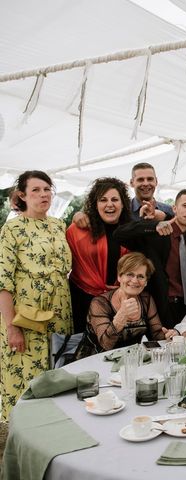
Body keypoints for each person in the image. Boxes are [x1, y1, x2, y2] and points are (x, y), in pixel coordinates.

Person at [0, 171, 72, 419]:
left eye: (46, 189)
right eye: (36, 190)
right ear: (22, 195)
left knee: (55, 373)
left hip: (59, 312)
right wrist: (11, 328)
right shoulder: (12, 228)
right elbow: (3, 282)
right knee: (25, 380)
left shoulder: (58, 224)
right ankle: (20, 437)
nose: (43, 195)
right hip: (26, 319)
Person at [114, 189, 186, 328]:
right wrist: (153, 225)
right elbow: (118, 235)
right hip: (161, 304)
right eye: (185, 205)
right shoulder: (156, 232)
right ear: (174, 208)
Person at [66, 177, 131, 333]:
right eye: (103, 200)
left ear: (123, 204)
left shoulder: (131, 231)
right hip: (82, 300)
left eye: (115, 199)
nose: (109, 204)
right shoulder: (78, 230)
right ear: (95, 204)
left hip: (118, 300)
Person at [80, 252, 168, 354]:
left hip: (129, 360)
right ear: (119, 277)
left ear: (146, 282)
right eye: (130, 274)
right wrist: (121, 316)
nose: (135, 280)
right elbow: (105, 344)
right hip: (93, 361)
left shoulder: (146, 299)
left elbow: (157, 333)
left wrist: (168, 336)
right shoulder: (100, 303)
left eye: (141, 276)